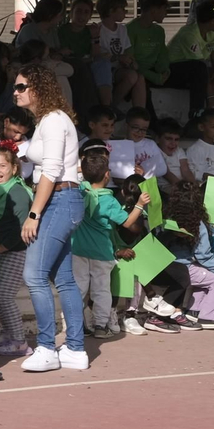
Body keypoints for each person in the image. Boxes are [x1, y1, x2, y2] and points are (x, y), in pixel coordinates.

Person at [12, 62, 90, 372]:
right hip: (59, 200)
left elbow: (53, 170)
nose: (15, 92)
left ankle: (47, 347)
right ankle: (75, 349)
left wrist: (34, 213)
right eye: (15, 86)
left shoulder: (54, 121)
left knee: (34, 275)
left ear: (38, 88)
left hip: (59, 199)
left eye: (21, 87)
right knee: (64, 279)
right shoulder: (47, 120)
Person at [70, 142, 141, 340]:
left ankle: (74, 324)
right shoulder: (109, 200)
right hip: (101, 253)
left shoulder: (79, 191)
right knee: (102, 290)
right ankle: (101, 326)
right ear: (107, 175)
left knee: (78, 288)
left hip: (78, 250)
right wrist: (141, 205)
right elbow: (128, 223)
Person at [0, 148, 33, 357]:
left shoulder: (18, 192)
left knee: (4, 295)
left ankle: (20, 342)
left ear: (13, 168)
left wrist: (3, 247)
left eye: (2, 166)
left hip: (16, 250)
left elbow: (22, 227)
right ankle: (9, 332)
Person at [162, 181, 214, 326]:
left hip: (168, 264)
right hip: (184, 267)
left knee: (206, 278)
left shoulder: (169, 217)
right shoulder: (196, 223)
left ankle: (193, 311)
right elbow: (203, 254)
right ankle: (209, 317)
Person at [164, 0, 214, 116]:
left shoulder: (213, 32)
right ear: (212, 21)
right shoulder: (189, 34)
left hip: (195, 69)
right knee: (202, 70)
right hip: (172, 71)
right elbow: (200, 66)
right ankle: (204, 111)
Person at [92, 0, 141, 109]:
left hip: (119, 69)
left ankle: (115, 106)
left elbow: (128, 50)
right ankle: (109, 107)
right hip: (105, 71)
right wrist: (118, 57)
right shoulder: (98, 30)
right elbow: (98, 55)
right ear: (111, 11)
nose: (125, 12)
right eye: (122, 9)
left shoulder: (122, 29)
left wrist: (130, 61)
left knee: (135, 76)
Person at [127, 0, 171, 100]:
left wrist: (165, 71)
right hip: (139, 73)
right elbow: (131, 62)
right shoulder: (130, 29)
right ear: (153, 10)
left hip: (155, 72)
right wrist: (155, 77)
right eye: (164, 9)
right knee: (141, 82)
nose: (166, 13)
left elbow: (162, 54)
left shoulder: (159, 31)